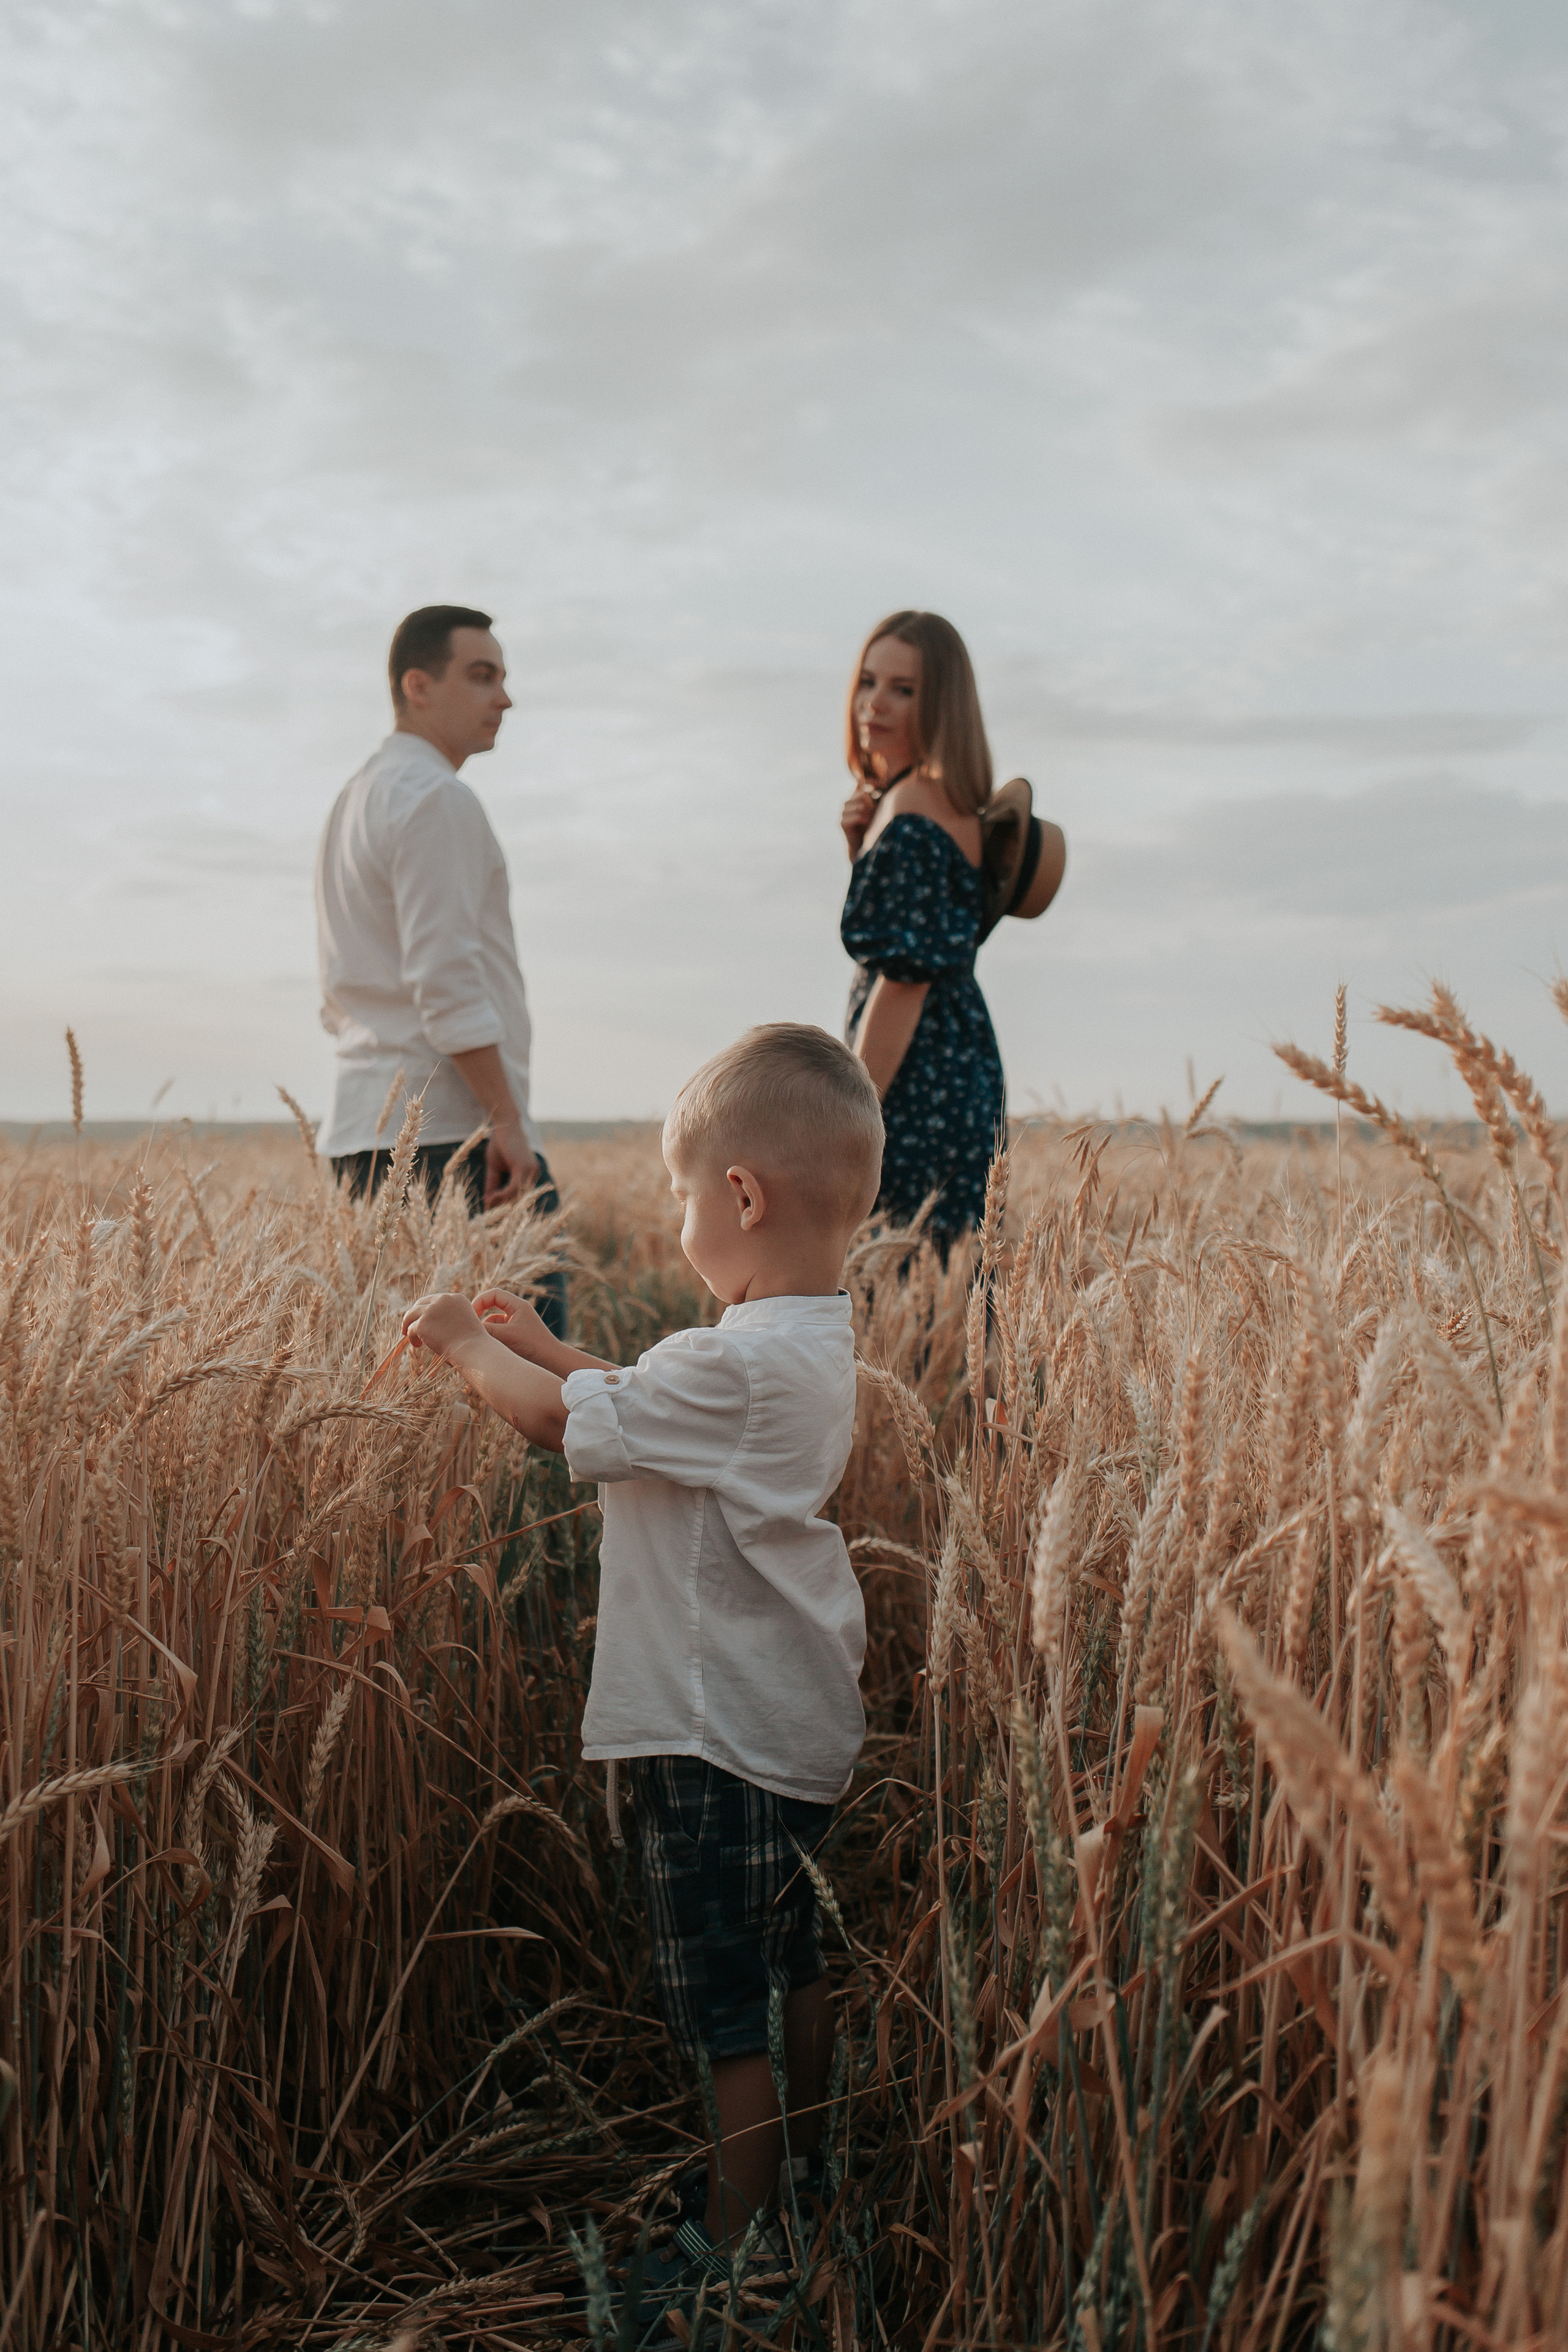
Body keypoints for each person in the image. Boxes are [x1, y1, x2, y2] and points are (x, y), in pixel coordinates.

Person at [398, 1023, 883, 2314]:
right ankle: (809, 2178)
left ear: (740, 1195)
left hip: (708, 1738)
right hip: (788, 1731)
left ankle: (735, 2241)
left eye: (680, 1195)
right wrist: (551, 1344)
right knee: (794, 1971)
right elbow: (642, 1403)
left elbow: (568, 1423)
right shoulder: (799, 1346)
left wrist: (464, 1343)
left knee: (719, 2003)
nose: (675, 1220)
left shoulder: (726, 1362)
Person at [314, 603, 566, 1337]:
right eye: (483, 676)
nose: (504, 699)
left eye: (505, 678)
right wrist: (507, 1120)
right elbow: (445, 982)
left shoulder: (353, 798)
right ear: (417, 686)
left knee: (412, 1397)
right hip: (448, 1137)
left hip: (361, 1128)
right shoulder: (437, 799)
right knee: (529, 1381)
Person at [839, 610, 1065, 1254]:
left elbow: (903, 984)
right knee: (942, 1281)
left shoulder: (913, 814)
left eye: (903, 690)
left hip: (917, 1078)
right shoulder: (926, 803)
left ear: (942, 706)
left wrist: (852, 1120)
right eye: (868, 681)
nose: (874, 704)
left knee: (903, 1271)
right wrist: (859, 849)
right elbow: (910, 929)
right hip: (953, 1065)